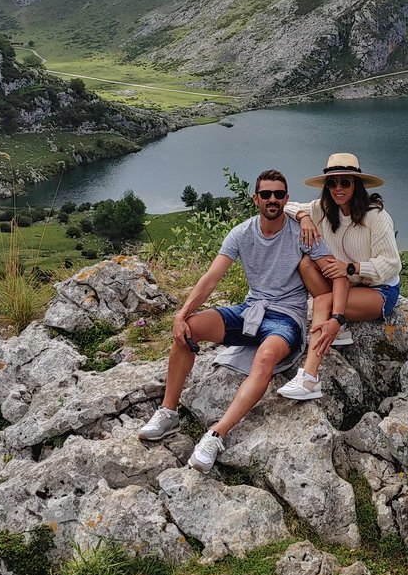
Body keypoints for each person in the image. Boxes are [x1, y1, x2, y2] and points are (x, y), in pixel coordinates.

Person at [138, 168, 348, 472]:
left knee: (264, 359)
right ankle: (168, 412)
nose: (272, 199)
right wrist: (181, 315)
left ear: (286, 199)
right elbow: (210, 279)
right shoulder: (242, 232)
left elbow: (336, 274)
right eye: (266, 194)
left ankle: (216, 435)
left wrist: (336, 318)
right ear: (256, 199)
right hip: (250, 310)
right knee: (188, 331)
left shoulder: (302, 233)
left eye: (278, 194)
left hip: (285, 319)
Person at [277, 152, 400, 401]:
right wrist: (304, 218)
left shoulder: (375, 217)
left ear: (357, 185)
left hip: (379, 290)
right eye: (332, 183)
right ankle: (339, 324)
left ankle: (310, 377)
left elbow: (391, 263)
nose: (338, 188)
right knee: (306, 263)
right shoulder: (322, 210)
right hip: (344, 286)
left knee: (323, 301)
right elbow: (285, 206)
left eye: (345, 182)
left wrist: (352, 268)